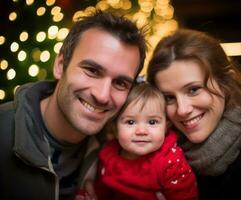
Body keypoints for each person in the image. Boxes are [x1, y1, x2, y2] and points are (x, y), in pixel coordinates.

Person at [0, 11, 146, 200]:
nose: (102, 96)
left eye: (120, 83)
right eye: (92, 70)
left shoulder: (121, 148)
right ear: (60, 65)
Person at [147, 29, 241, 200]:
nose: (182, 109)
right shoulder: (161, 158)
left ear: (227, 84)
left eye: (193, 90)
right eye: (169, 98)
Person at [77, 82, 198, 200]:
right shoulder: (109, 154)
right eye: (130, 122)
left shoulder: (171, 162)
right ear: (115, 128)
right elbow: (103, 189)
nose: (141, 131)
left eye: (152, 122)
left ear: (166, 127)